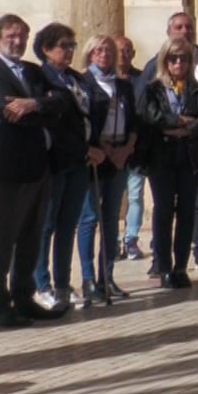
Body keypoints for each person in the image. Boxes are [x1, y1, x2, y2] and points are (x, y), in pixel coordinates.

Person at [0, 14, 68, 329]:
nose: (17, 41)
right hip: (9, 170)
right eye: (11, 35)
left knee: (31, 238)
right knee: (1, 242)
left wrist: (33, 105)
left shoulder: (32, 71)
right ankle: (0, 307)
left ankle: (24, 296)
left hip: (39, 168)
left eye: (22, 35)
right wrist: (39, 108)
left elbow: (61, 102)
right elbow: (6, 114)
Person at [140, 11, 198, 275]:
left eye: (189, 26)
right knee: (164, 209)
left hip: (194, 151)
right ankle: (161, 262)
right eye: (179, 27)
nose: (185, 31)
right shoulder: (153, 85)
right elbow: (149, 114)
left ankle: (188, 262)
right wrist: (179, 122)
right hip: (162, 155)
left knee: (194, 205)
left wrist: (188, 130)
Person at [32, 22, 92, 310]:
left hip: (79, 162)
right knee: (46, 226)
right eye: (63, 46)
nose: (69, 52)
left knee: (68, 225)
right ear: (46, 50)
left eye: (72, 46)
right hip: (54, 162)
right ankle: (41, 284)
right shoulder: (40, 78)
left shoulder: (77, 79)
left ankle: (63, 284)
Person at [76, 35, 136, 304]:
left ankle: (107, 276)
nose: (104, 55)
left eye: (108, 51)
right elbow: (85, 122)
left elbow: (134, 121)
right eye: (98, 51)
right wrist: (106, 150)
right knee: (89, 219)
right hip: (96, 158)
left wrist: (126, 149)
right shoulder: (83, 84)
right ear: (90, 55)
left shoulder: (123, 86)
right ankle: (88, 279)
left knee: (112, 219)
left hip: (120, 156)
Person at [114, 34, 147, 262]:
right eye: (119, 50)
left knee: (135, 195)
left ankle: (131, 239)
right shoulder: (105, 81)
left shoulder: (142, 79)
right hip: (111, 149)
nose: (123, 55)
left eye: (128, 50)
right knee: (114, 198)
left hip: (135, 147)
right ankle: (112, 241)